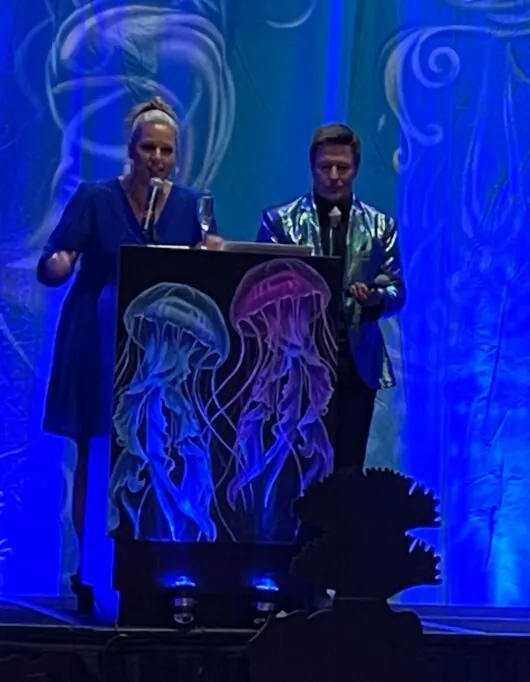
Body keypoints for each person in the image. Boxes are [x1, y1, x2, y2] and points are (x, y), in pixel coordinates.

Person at [37, 96, 225, 614]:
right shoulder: (96, 198)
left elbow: (210, 261)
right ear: (131, 150)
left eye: (167, 150)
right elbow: (56, 259)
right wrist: (57, 263)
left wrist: (215, 251)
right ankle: (89, 567)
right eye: (149, 149)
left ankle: (159, 565)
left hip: (160, 351)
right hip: (97, 339)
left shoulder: (192, 205)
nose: (157, 159)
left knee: (162, 450)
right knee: (95, 452)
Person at [257, 123, 404, 473]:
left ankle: (346, 510)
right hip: (296, 360)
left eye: (343, 167)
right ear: (312, 167)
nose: (334, 177)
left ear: (356, 169)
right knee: (296, 465)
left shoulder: (380, 226)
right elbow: (261, 288)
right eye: (326, 167)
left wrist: (375, 299)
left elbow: (398, 291)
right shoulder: (280, 222)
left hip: (354, 362)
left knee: (348, 466)